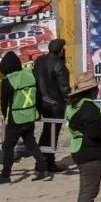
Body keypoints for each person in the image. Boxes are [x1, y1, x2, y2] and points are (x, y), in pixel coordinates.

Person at [0, 51, 51, 184]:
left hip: (16, 118)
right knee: (31, 143)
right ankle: (43, 169)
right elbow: (39, 96)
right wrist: (38, 112)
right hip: (30, 115)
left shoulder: (8, 81)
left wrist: (5, 116)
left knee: (8, 147)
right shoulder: (30, 75)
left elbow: (4, 103)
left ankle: (5, 175)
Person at [65, 71, 101, 202]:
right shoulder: (89, 107)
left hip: (79, 149)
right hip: (90, 152)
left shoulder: (73, 106)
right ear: (91, 90)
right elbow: (94, 131)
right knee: (89, 192)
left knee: (85, 191)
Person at [33, 38, 71, 173]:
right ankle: (48, 163)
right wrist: (71, 100)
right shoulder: (59, 65)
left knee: (46, 132)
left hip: (41, 102)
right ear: (61, 51)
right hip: (56, 105)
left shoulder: (39, 61)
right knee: (52, 134)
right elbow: (64, 88)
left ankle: (41, 162)